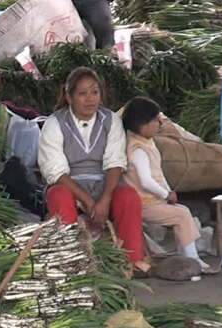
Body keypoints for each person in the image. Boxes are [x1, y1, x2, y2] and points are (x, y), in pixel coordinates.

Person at [37, 67, 148, 276]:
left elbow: (115, 162)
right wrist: (88, 202)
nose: (90, 99)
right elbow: (55, 171)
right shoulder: (55, 123)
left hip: (105, 184)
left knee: (128, 196)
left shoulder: (111, 120)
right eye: (82, 93)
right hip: (69, 185)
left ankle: (132, 262)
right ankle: (70, 260)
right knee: (58, 195)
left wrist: (105, 199)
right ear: (69, 97)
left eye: (94, 92)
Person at [121, 97, 215, 277]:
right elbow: (146, 181)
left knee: (182, 213)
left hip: (154, 201)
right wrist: (165, 194)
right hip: (143, 204)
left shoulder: (148, 143)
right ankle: (194, 260)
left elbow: (158, 174)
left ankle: (187, 257)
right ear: (143, 123)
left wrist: (168, 192)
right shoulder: (137, 149)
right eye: (156, 120)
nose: (159, 124)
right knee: (182, 215)